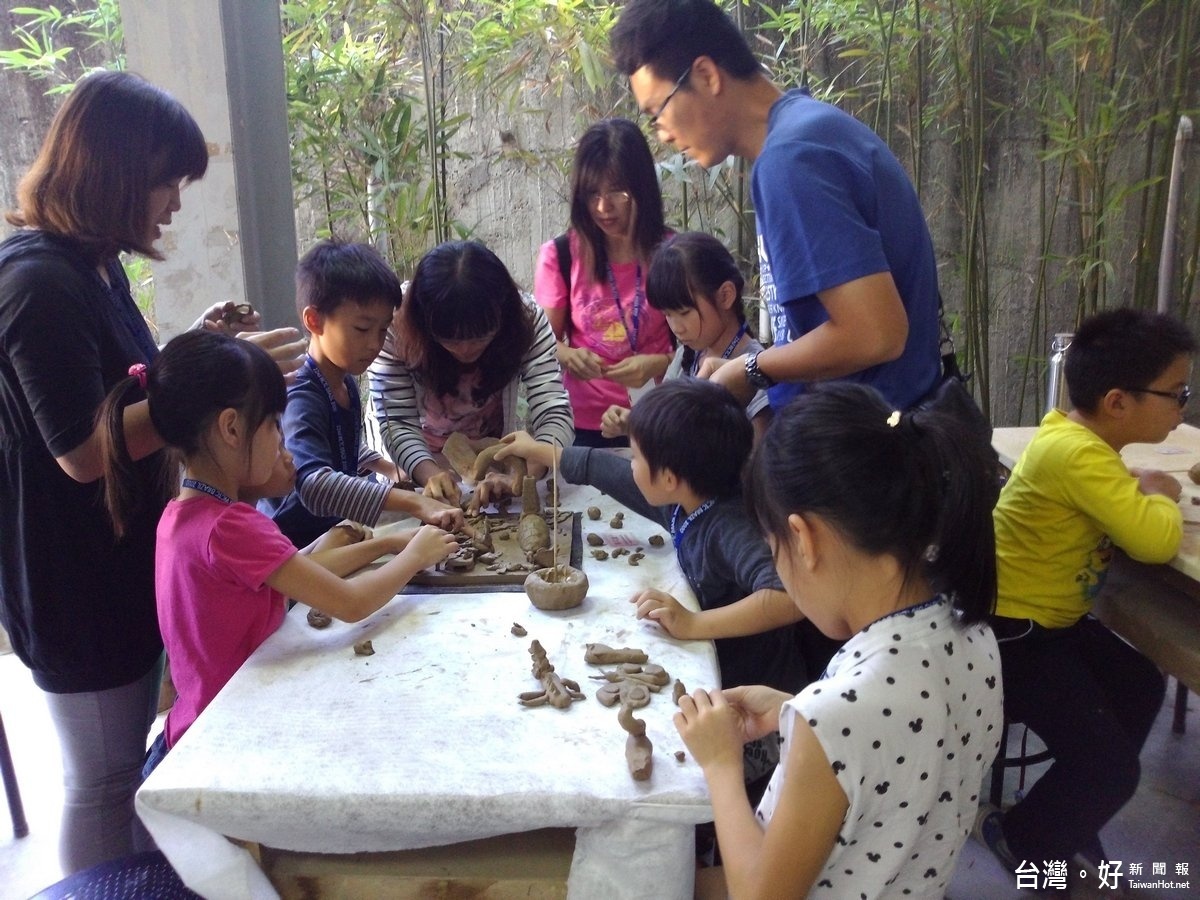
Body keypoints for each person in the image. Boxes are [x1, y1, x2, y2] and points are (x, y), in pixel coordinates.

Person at [0, 70, 304, 874]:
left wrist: (192, 352)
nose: (174, 202)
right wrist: (215, 384)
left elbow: (120, 383)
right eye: (168, 181)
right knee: (99, 782)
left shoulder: (93, 266)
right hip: (72, 570)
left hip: (123, 546)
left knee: (129, 770)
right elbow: (82, 449)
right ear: (118, 174)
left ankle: (141, 885)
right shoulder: (37, 282)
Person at [674, 382, 1003, 899]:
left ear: (802, 540)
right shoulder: (974, 634)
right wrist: (793, 709)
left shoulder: (834, 717)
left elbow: (760, 896)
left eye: (771, 546)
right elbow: (900, 745)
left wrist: (721, 766)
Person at [97, 331, 457, 774]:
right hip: (226, 738)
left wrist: (388, 542)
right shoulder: (232, 525)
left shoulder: (183, 514)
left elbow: (299, 574)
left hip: (188, 730)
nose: (281, 443)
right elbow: (350, 603)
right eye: (273, 426)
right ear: (231, 428)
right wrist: (416, 556)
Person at [611, 0, 941, 414]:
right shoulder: (807, 131)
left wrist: (752, 368)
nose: (662, 135)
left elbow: (876, 334)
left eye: (657, 113)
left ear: (707, 75)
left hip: (878, 449)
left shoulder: (792, 160)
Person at [973, 308, 1193, 875]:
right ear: (1119, 402)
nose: (1183, 406)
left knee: (1141, 684)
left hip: (1050, 625)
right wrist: (1162, 495)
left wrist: (1140, 493)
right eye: (1176, 393)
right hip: (1011, 638)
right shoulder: (1075, 454)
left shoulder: (1076, 440)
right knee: (1112, 767)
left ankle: (1068, 811)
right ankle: (1023, 839)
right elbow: (1151, 540)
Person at [497, 379, 829, 705]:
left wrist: (694, 622)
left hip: (759, 692)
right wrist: (537, 449)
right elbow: (607, 470)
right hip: (724, 671)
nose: (631, 465)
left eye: (637, 457)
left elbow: (789, 597)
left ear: (669, 478)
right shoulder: (686, 499)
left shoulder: (729, 527)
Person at [261, 240, 465, 549]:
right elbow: (313, 485)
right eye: (361, 329)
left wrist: (384, 467)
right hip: (291, 550)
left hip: (328, 538)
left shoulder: (343, 382)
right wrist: (412, 502)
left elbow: (339, 449)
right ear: (314, 321)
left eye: (383, 330)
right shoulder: (302, 393)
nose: (374, 344)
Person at [369, 240, 574, 510]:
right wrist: (429, 475)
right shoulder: (396, 325)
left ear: (502, 320)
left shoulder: (527, 322)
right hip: (417, 463)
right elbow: (397, 422)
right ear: (425, 325)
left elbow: (553, 410)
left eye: (480, 338)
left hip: (489, 456)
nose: (465, 350)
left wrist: (523, 475)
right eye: (450, 340)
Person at [533, 118, 675, 447]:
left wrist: (660, 363)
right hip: (584, 428)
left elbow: (701, 348)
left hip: (661, 420)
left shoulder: (673, 253)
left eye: (617, 192)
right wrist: (568, 355)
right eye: (592, 193)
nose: (602, 207)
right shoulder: (560, 255)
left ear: (642, 188)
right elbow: (540, 346)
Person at [599, 231, 771, 442]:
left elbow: (757, 461)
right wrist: (633, 422)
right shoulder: (686, 356)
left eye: (684, 313)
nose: (676, 328)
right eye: (667, 315)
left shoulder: (756, 368)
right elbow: (664, 420)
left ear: (725, 295)